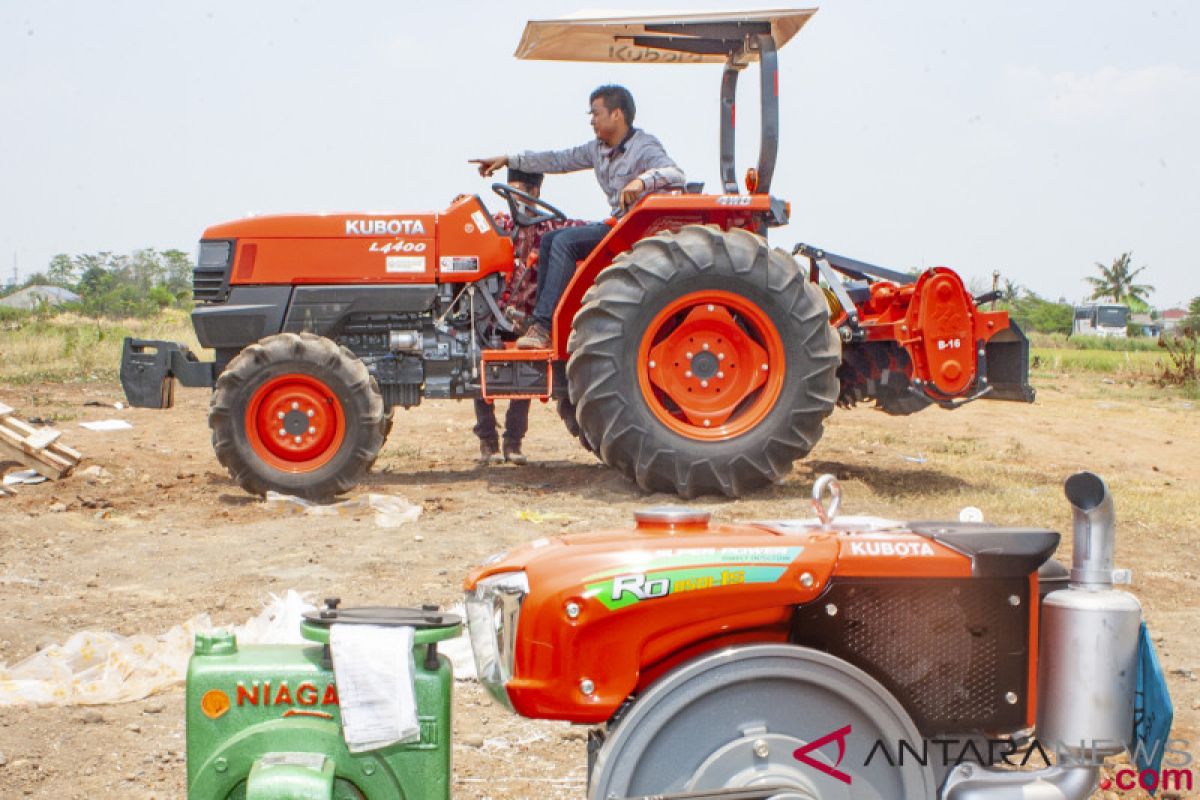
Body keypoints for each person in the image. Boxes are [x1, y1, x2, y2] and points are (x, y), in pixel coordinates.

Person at [470, 84, 685, 349]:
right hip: (618, 224)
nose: (592, 121)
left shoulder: (644, 146)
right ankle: (539, 321)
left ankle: (545, 327)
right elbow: (558, 160)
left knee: (565, 243)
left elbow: (675, 173)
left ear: (616, 114)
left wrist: (641, 182)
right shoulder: (597, 149)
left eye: (595, 114)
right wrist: (509, 160)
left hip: (636, 230)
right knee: (549, 239)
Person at [473, 168, 588, 466]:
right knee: (478, 371)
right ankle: (487, 441)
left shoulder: (555, 228)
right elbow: (472, 227)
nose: (513, 199)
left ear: (534, 193)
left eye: (519, 191)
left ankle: (513, 442)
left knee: (523, 378)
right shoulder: (499, 225)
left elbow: (587, 230)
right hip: (494, 314)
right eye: (508, 192)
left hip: (526, 318)